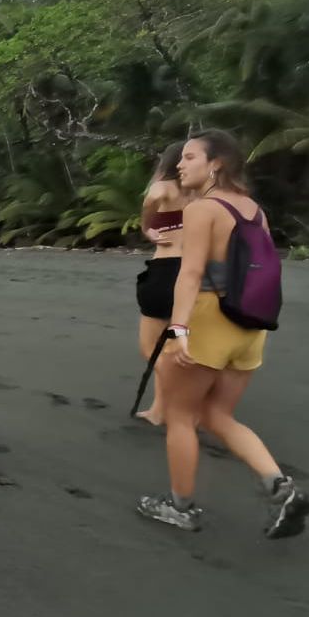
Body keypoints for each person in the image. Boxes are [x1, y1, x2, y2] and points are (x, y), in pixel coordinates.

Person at [137, 129, 309, 538]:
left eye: (190, 157)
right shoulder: (253, 209)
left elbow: (191, 273)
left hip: (209, 321)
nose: (180, 164)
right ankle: (279, 485)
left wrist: (179, 327)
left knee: (181, 417)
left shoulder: (203, 209)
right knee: (218, 415)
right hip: (250, 327)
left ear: (216, 163)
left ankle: (181, 507)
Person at [133, 142, 193, 425]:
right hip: (195, 272)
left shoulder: (162, 189)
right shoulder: (202, 194)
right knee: (172, 348)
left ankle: (184, 400)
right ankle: (158, 410)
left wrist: (149, 231)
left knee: (151, 348)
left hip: (166, 269)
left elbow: (147, 214)